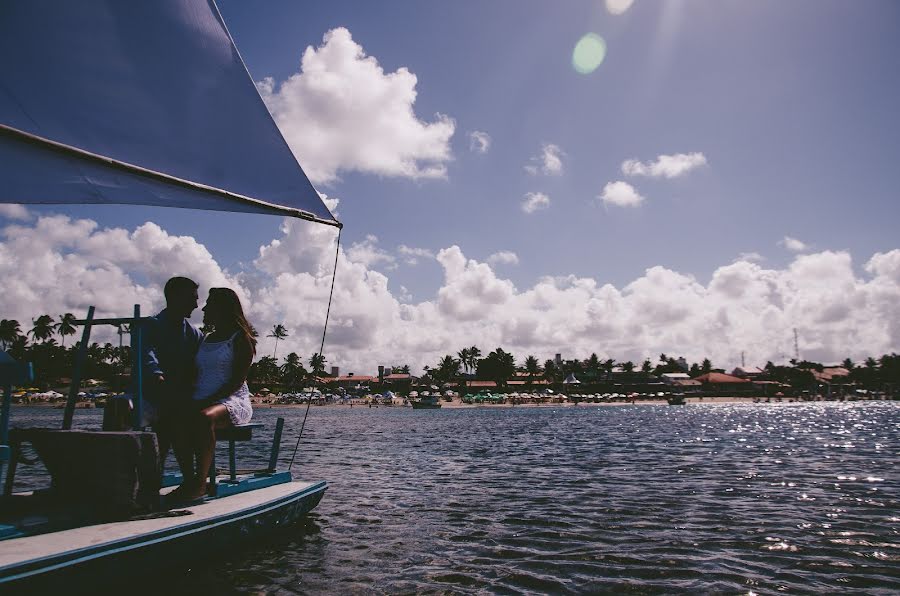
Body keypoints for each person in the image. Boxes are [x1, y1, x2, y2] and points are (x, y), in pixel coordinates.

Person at [172, 287, 255, 500]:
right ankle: (189, 479)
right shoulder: (206, 338)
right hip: (203, 399)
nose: (205, 308)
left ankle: (201, 483)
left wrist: (206, 401)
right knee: (175, 418)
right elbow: (194, 374)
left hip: (232, 400)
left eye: (210, 305)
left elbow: (236, 382)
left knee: (203, 418)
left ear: (223, 309)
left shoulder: (240, 339)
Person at [143, 276, 202, 476]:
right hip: (149, 396)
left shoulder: (194, 334)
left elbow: (201, 365)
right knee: (119, 407)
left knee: (175, 416)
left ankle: (188, 477)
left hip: (178, 399)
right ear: (175, 297)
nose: (196, 304)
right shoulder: (151, 325)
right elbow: (146, 354)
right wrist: (157, 375)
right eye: (192, 298)